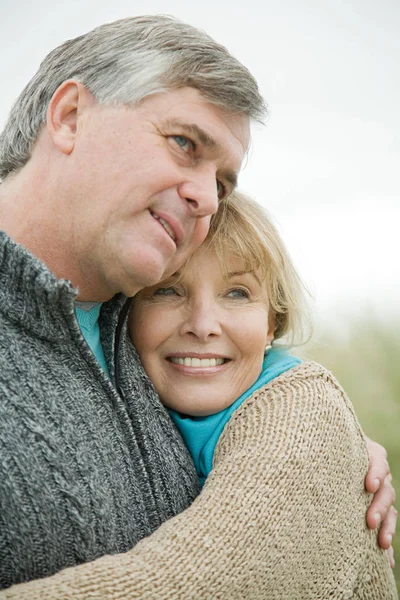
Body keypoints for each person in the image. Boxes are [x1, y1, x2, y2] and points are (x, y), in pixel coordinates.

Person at [0, 15, 396, 596]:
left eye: (224, 183)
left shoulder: (147, 335)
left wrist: (306, 439)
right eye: (184, 143)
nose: (206, 198)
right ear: (70, 117)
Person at [2, 192, 397, 599]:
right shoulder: (138, 401)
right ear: (127, 319)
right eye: (170, 290)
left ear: (271, 324)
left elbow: (199, 583)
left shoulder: (304, 410)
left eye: (237, 293)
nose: (203, 325)